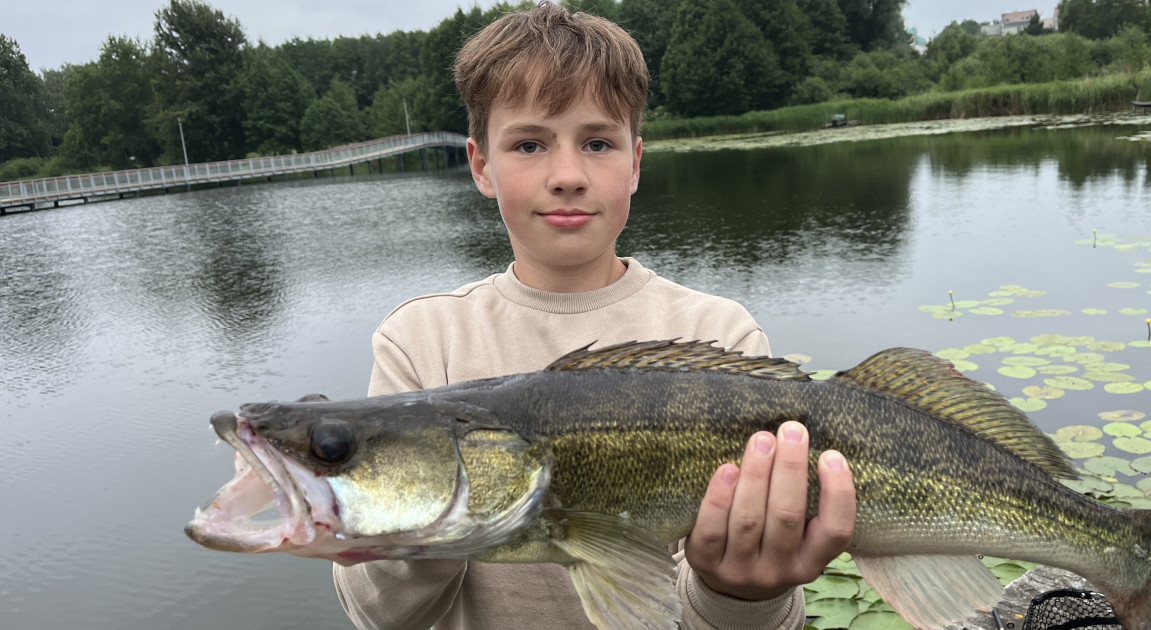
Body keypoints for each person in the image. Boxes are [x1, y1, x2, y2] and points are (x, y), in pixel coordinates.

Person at [332, 3, 857, 628]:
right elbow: (381, 617)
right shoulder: (421, 342)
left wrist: (741, 590)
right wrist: (421, 520)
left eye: (598, 143)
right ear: (481, 166)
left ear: (635, 163)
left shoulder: (718, 333)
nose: (568, 176)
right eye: (529, 144)